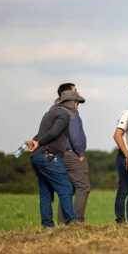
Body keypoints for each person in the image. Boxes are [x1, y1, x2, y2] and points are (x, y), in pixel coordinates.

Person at [25, 90, 85, 228]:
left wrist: (35, 141)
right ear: (71, 103)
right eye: (77, 102)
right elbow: (53, 133)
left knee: (45, 192)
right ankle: (71, 223)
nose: (78, 106)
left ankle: (47, 226)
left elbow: (42, 133)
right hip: (49, 155)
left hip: (37, 157)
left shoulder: (50, 113)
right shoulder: (64, 115)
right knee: (67, 188)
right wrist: (39, 143)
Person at [56, 83, 90, 223]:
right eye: (75, 90)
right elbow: (75, 135)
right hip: (72, 154)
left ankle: (63, 222)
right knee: (83, 187)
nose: (77, 92)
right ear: (68, 95)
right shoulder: (72, 113)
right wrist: (80, 152)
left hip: (61, 154)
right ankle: (77, 222)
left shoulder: (57, 110)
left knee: (67, 189)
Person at [113, 106, 128, 223]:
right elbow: (117, 135)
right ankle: (120, 220)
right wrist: (127, 155)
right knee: (124, 189)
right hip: (126, 155)